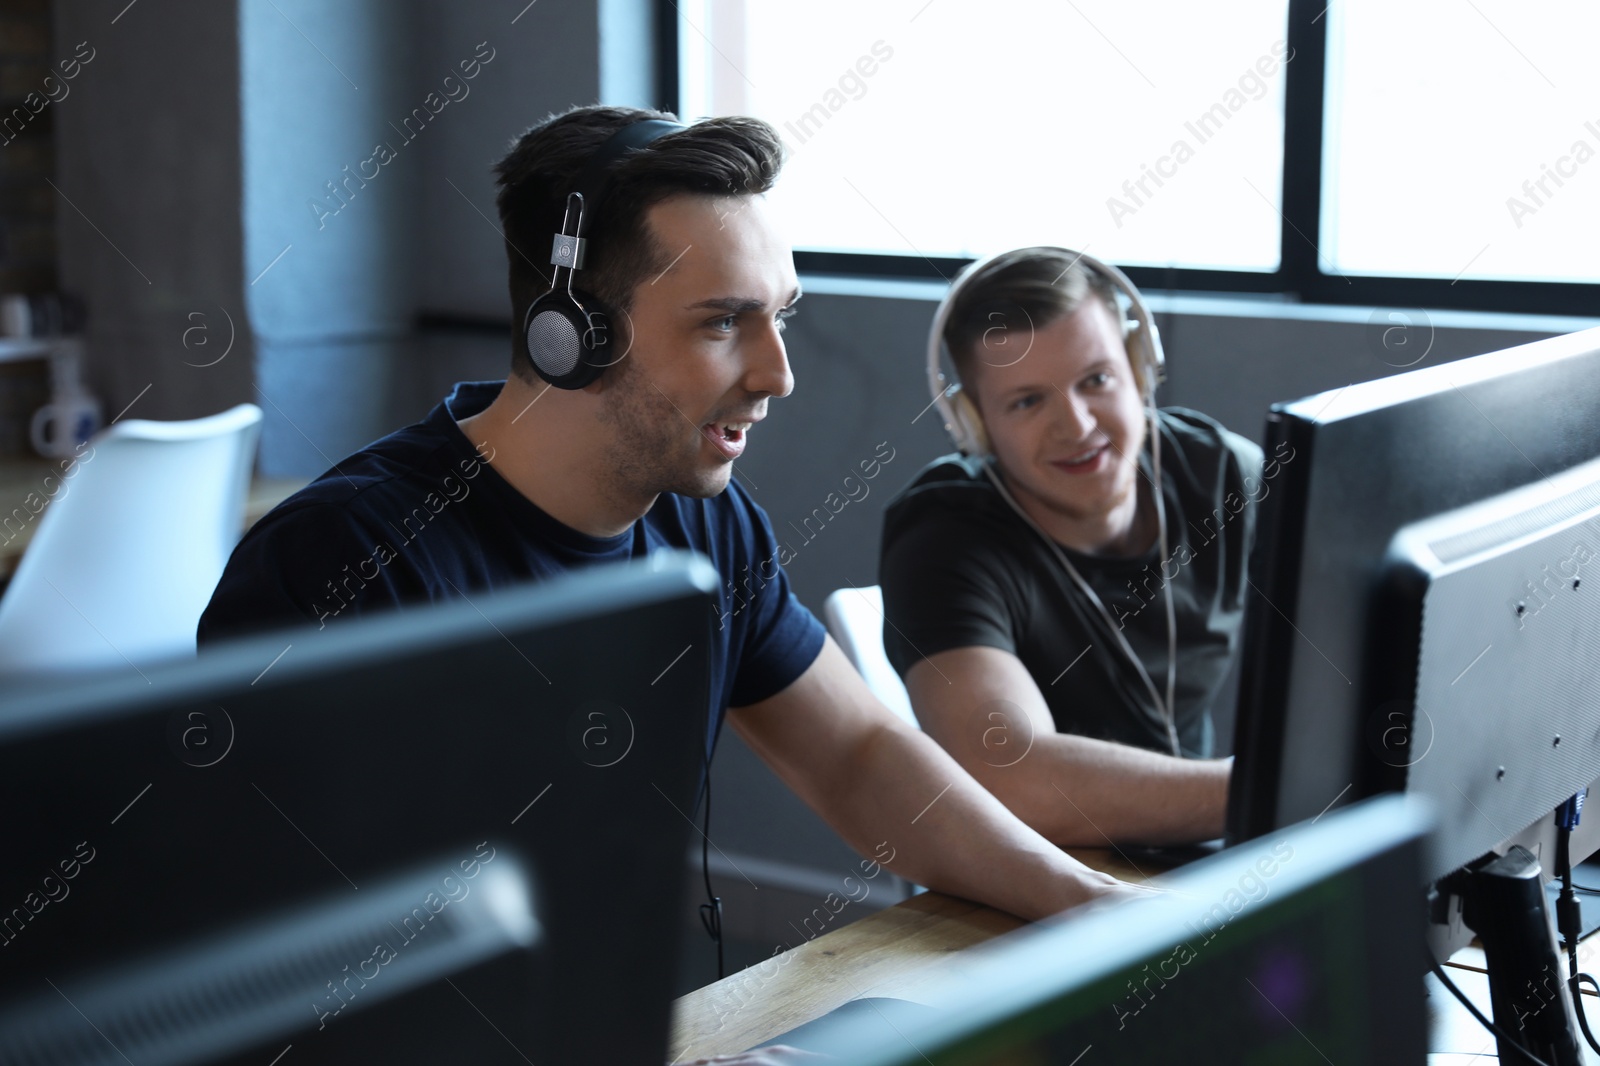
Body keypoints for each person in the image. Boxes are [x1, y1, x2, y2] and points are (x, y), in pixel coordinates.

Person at [200, 108, 1149, 944]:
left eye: (780, 315)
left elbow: (859, 756)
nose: (778, 373)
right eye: (723, 323)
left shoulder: (709, 528)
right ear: (568, 335)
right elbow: (269, 954)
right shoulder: (345, 562)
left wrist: (1086, 902)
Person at [879, 247, 1273, 849]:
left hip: (1210, 855)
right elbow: (1010, 777)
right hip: (1036, 886)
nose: (1078, 425)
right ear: (974, 423)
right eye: (1028, 401)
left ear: (1140, 370)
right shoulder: (942, 537)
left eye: (1096, 380)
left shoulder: (1221, 474)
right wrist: (1267, 793)